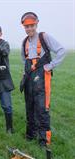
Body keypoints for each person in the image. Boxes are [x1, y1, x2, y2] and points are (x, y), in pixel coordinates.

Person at [20, 12, 66, 147]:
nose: (29, 29)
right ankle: (30, 135)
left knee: (42, 108)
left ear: (36, 24)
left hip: (42, 77)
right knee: (30, 106)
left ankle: (43, 141)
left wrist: (50, 66)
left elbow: (61, 50)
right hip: (29, 76)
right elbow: (25, 59)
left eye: (31, 25)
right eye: (26, 26)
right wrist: (26, 72)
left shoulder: (44, 37)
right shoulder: (24, 42)